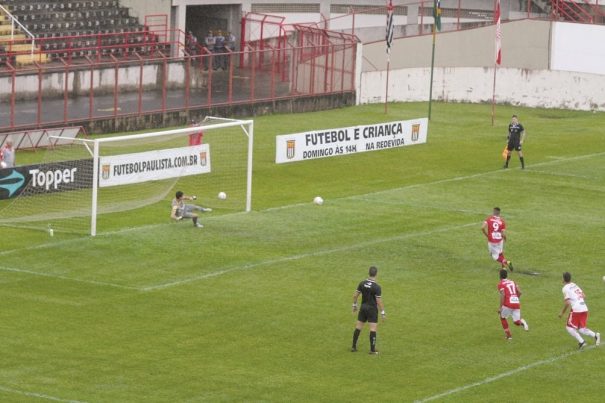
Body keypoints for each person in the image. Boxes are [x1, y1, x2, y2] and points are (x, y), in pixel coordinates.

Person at [558, 272, 600, 349]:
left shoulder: (565, 288)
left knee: (569, 327)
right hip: (584, 308)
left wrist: (562, 313)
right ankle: (596, 335)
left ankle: (582, 342)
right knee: (581, 329)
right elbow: (584, 295)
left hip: (576, 310)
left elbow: (567, 303)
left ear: (563, 279)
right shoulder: (574, 285)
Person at [351, 266, 385, 354]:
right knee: (373, 328)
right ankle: (372, 350)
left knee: (358, 327)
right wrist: (382, 312)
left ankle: (353, 347)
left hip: (363, 308)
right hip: (372, 309)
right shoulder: (377, 287)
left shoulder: (362, 283)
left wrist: (354, 305)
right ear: (376, 274)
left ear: (368, 273)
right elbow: (378, 301)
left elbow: (355, 295)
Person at [497, 269, 528, 340]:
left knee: (502, 317)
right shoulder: (513, 282)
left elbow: (503, 295)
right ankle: (522, 322)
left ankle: (509, 336)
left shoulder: (500, 284)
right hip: (516, 303)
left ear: (500, 276)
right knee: (517, 322)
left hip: (507, 304)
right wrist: (515, 299)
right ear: (507, 275)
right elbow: (520, 292)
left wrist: (500, 307)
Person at [482, 207, 514, 271]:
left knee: (494, 256)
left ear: (494, 212)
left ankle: (507, 262)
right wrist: (505, 238)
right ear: (499, 213)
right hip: (500, 240)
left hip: (492, 241)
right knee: (500, 253)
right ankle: (503, 268)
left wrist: (487, 235)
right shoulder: (502, 221)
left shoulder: (489, 219)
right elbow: (503, 234)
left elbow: (482, 228)